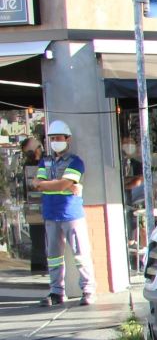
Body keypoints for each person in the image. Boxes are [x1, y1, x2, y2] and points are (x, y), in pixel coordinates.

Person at [30, 120, 96, 307]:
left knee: (81, 254)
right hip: (51, 214)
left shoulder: (75, 161)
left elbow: (63, 184)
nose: (55, 141)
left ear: (68, 139)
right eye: (52, 138)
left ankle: (89, 290)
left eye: (58, 138)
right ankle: (56, 292)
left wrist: (48, 185)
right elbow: (37, 182)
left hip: (71, 214)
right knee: (53, 256)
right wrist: (55, 185)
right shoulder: (46, 161)